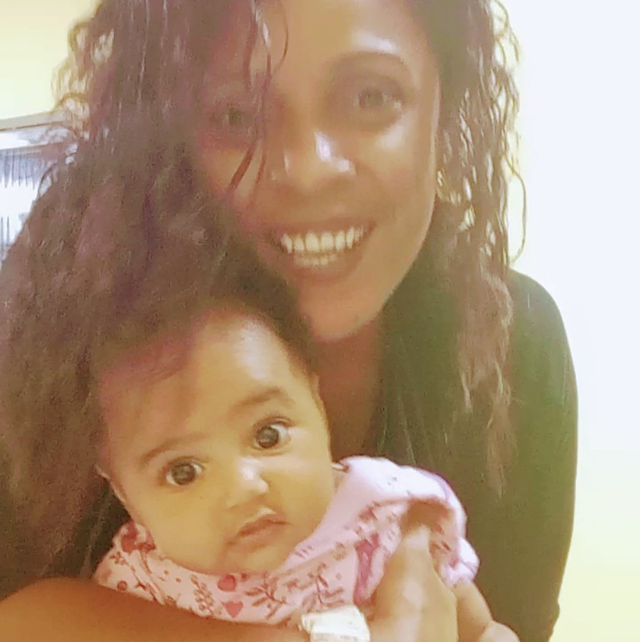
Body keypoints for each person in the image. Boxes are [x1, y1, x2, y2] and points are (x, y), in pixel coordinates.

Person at [0, 0, 577, 641]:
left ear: (447, 104)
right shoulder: (58, 350)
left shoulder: (513, 342)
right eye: (236, 115)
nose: (308, 169)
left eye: (372, 97)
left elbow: (511, 624)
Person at [90, 267, 512, 641]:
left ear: (317, 405)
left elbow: (482, 630)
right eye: (183, 472)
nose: (244, 487)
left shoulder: (384, 514)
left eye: (268, 435)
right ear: (126, 495)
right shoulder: (139, 584)